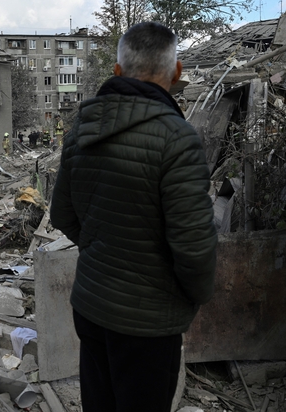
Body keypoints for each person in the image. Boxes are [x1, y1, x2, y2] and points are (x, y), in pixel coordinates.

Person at [49, 22, 217, 412]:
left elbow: (62, 215)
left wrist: (98, 246)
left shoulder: (81, 130)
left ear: (117, 71)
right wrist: (195, 295)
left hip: (91, 306)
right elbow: (194, 247)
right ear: (176, 73)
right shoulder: (177, 138)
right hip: (148, 324)